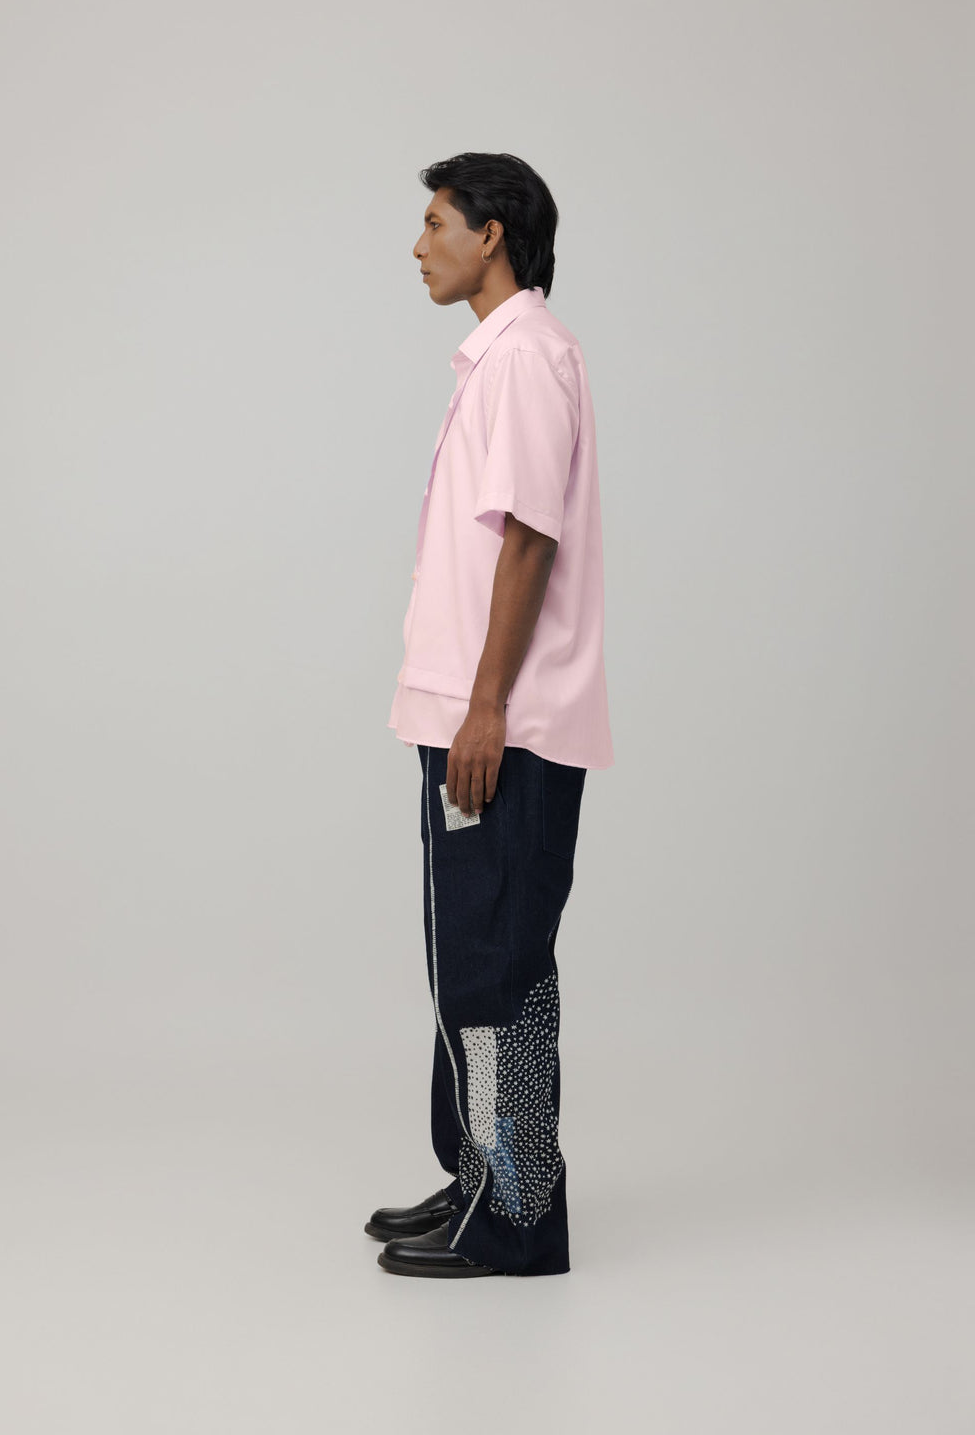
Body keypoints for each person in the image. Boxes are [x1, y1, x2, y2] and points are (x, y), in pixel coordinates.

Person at [367, 152, 613, 1279]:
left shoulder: (524, 359)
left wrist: (484, 708)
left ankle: (517, 1214)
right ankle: (479, 1176)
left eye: (436, 223)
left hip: (502, 727)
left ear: (493, 233)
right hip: (471, 719)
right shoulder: (498, 358)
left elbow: (528, 538)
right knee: (468, 956)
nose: (419, 246)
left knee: (501, 967)